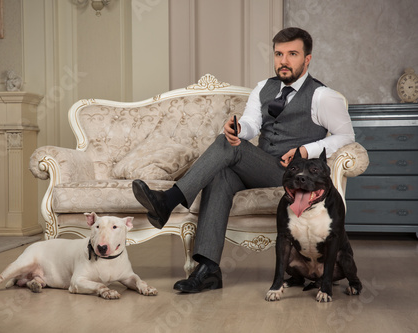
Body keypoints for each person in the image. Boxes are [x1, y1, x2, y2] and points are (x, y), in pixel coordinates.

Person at [132, 27, 355, 293]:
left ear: (307, 59)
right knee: (221, 174)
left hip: (293, 174)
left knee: (227, 150)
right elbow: (251, 123)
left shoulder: (322, 96)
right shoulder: (263, 88)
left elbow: (346, 136)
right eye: (279, 54)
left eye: (292, 54)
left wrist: (307, 150)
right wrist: (238, 130)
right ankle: (208, 270)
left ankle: (168, 200)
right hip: (263, 165)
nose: (283, 61)